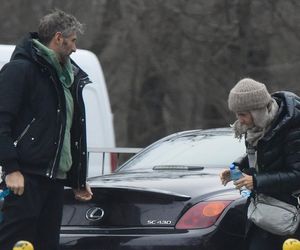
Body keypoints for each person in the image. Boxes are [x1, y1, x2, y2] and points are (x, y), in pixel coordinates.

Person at [0, 10, 93, 250]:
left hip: (54, 182)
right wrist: (11, 169)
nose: (74, 48)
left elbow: (71, 130)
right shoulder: (20, 70)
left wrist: (77, 178)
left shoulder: (67, 79)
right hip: (24, 180)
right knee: (14, 245)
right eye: (73, 40)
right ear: (58, 38)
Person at [219, 78, 300, 250]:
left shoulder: (293, 129)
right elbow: (261, 156)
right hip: (264, 212)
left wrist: (256, 181)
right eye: (236, 114)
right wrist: (237, 167)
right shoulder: (257, 129)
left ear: (257, 112)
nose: (239, 120)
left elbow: (297, 175)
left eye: (242, 114)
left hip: (289, 217)